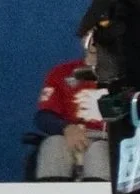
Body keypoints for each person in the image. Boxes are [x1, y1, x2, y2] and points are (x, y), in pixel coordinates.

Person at [35, 36, 112, 182]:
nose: (95, 40)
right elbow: (44, 116)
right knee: (54, 145)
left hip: (106, 137)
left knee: (98, 151)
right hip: (70, 133)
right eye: (90, 34)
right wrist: (67, 128)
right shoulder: (62, 72)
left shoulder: (124, 76)